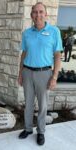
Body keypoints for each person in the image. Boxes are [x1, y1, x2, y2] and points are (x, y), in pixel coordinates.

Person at [18, 2, 63, 145]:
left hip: (44, 73)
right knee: (28, 103)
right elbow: (24, 53)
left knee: (43, 105)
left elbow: (57, 55)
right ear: (31, 15)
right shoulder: (26, 33)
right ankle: (28, 128)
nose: (38, 15)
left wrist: (54, 76)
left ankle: (41, 131)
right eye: (35, 12)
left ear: (45, 14)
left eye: (41, 12)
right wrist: (20, 73)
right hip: (27, 72)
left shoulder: (54, 31)